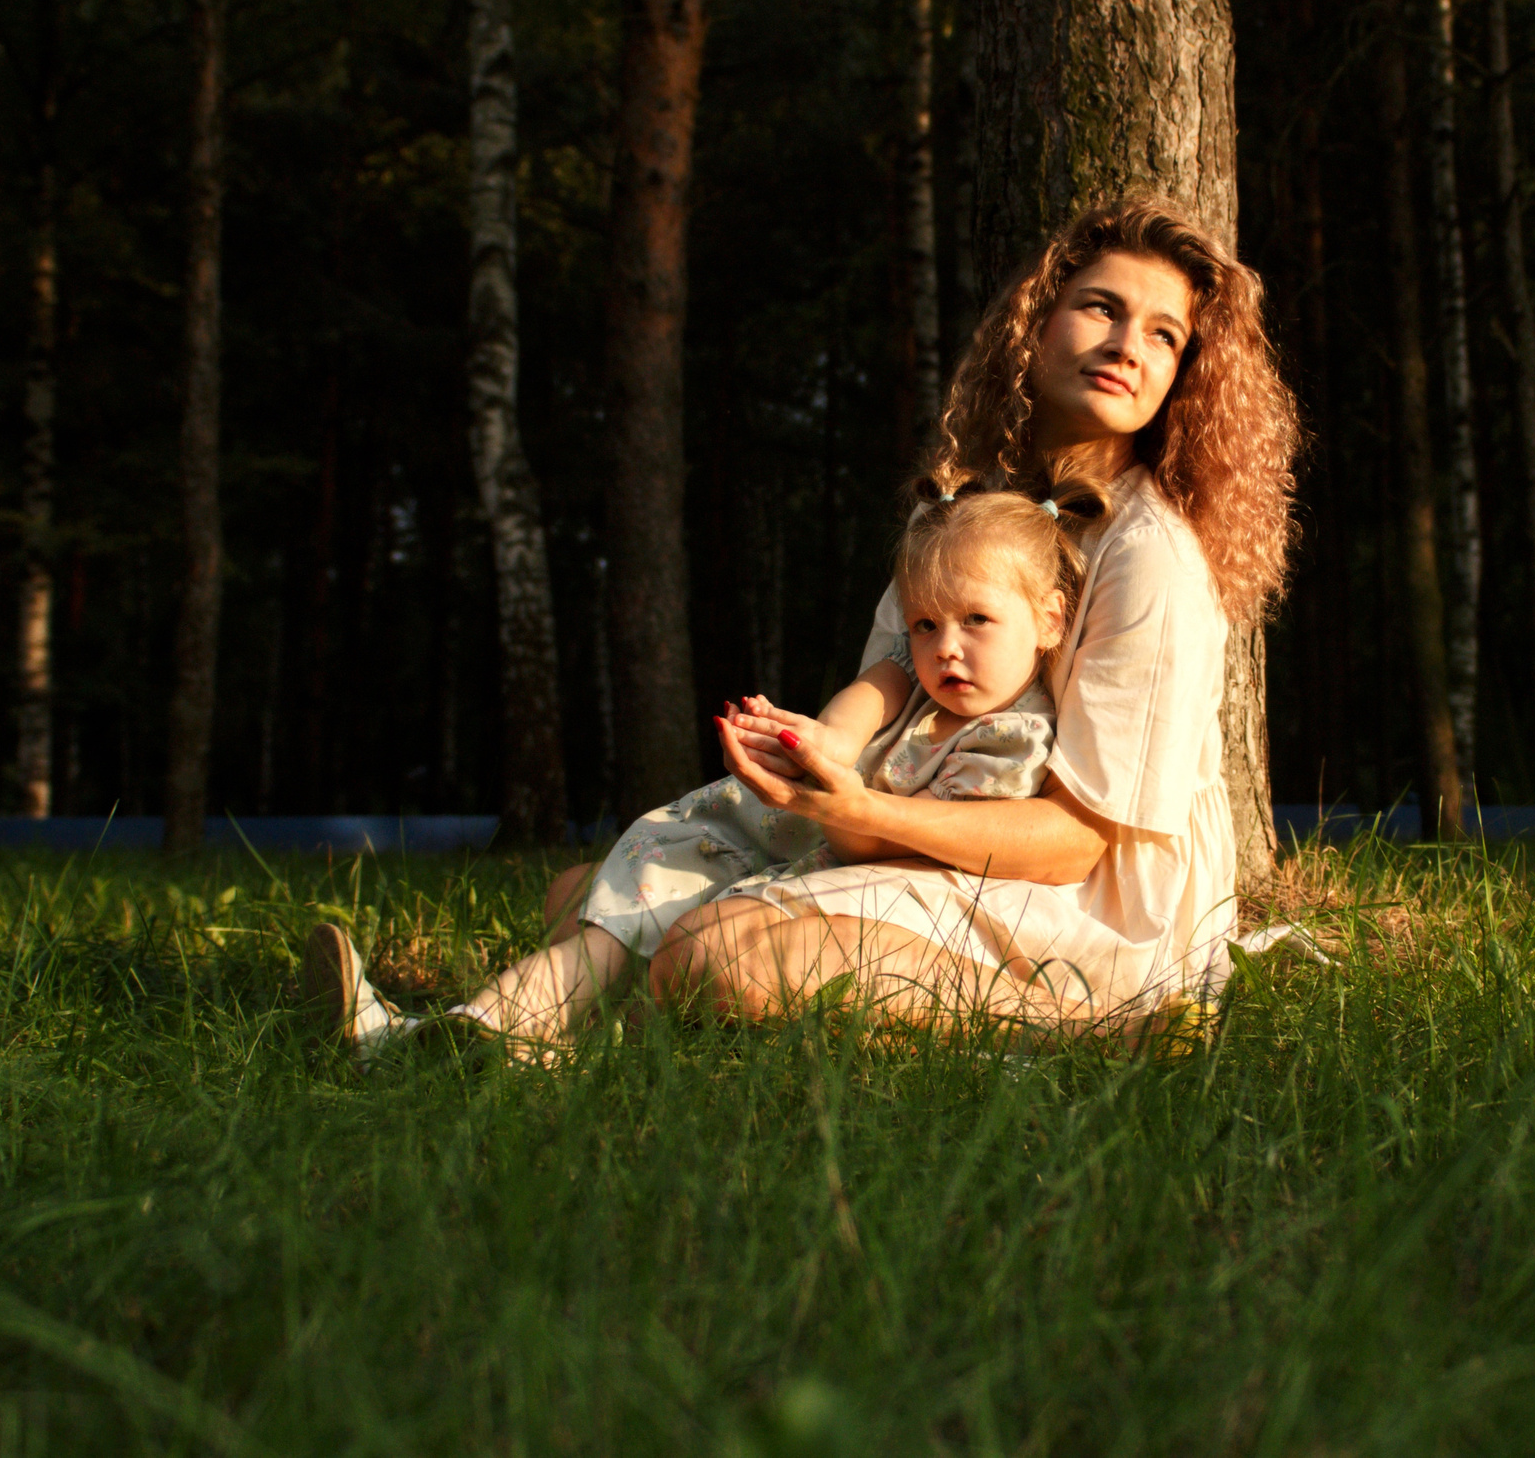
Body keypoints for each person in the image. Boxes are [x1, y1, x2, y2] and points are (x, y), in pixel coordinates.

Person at [303, 194, 1299, 1051]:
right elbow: (892, 681)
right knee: (597, 888)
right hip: (924, 825)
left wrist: (858, 818)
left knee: (697, 950)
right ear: (1036, 326)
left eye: (1165, 334)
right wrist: (821, 751)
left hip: (1086, 905)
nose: (1130, 344)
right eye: (1101, 308)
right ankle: (492, 1041)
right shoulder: (961, 510)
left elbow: (1081, 845)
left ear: (1182, 374)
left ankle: (1106, 1027)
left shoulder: (1148, 555)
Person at [303, 472, 1113, 1057]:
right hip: (788, 846)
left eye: (977, 619)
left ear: (1048, 619)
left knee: (635, 930)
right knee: (608, 908)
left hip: (861, 887)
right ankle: (476, 1032)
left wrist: (836, 801)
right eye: (929, 623)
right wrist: (810, 747)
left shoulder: (1012, 737)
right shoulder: (913, 676)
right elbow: (859, 703)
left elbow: (923, 848)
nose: (947, 647)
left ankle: (496, 1037)